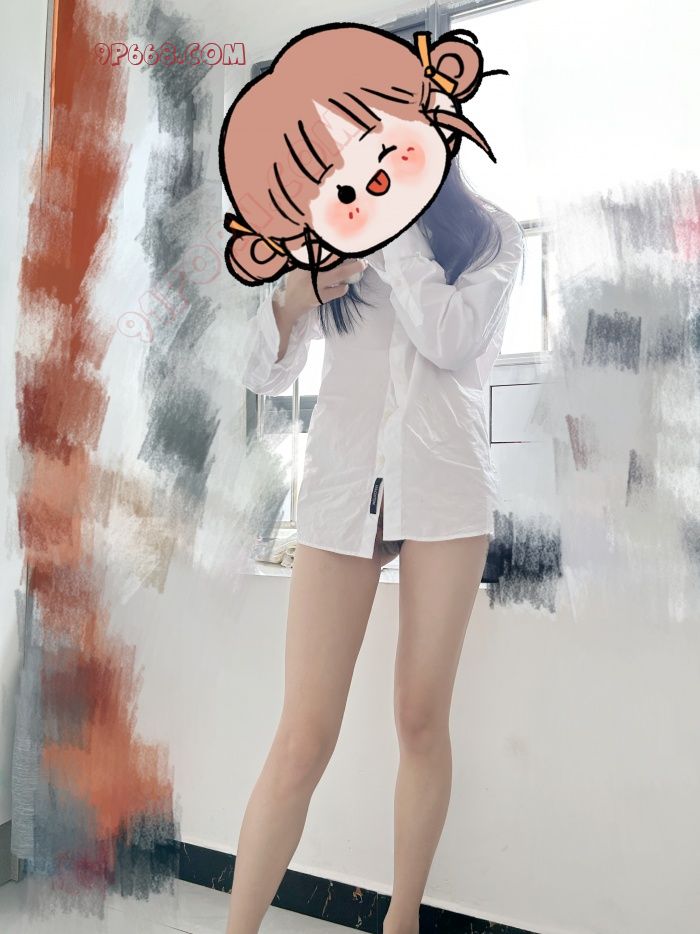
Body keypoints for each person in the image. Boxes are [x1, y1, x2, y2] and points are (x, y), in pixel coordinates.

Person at [220, 24, 524, 934]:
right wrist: (299, 291)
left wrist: (395, 236)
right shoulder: (326, 229)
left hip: (447, 487)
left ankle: (402, 922)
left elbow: (450, 340)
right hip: (341, 485)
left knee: (419, 720)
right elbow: (261, 372)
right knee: (301, 736)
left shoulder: (490, 236)